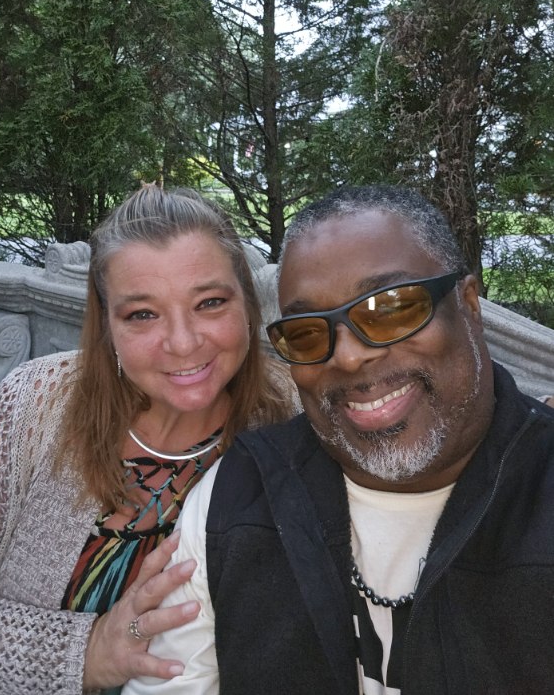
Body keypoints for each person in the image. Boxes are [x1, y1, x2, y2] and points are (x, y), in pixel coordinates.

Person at [124, 184, 554, 695]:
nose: (348, 357)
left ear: (468, 305)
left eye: (391, 308)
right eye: (307, 333)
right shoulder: (235, 495)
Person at [0, 185, 298, 695]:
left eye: (209, 302)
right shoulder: (33, 405)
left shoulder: (291, 420)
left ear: (247, 305)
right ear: (107, 325)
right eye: (142, 314)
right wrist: (83, 653)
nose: (183, 342)